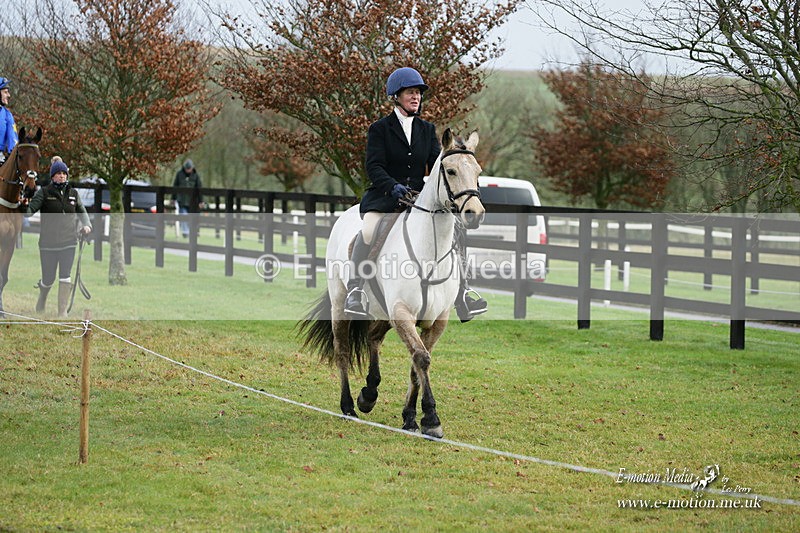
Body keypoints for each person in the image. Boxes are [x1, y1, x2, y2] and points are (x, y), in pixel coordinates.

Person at [344, 67, 487, 322]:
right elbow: (373, 166)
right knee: (368, 230)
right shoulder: (380, 129)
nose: (416, 97)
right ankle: (355, 290)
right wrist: (391, 186)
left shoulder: (426, 129)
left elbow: (436, 166)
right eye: (411, 93)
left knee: (456, 231)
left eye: (418, 93)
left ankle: (463, 293)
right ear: (396, 96)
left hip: (418, 199)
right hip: (385, 196)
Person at [25, 159, 92, 317]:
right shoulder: (44, 192)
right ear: (52, 176)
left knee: (65, 275)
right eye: (58, 174)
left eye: (64, 173)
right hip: (48, 244)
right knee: (48, 278)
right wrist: (23, 204)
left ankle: (62, 312)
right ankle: (42, 295)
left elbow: (82, 211)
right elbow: (29, 211)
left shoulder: (73, 193)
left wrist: (87, 225)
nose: (61, 176)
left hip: (69, 242)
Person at [171, 158, 203, 237]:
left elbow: (199, 189)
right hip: (182, 200)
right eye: (187, 169)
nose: (188, 170)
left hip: (193, 201)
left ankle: (193, 232)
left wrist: (201, 201)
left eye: (189, 169)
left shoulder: (196, 176)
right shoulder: (179, 174)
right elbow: (175, 186)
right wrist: (173, 198)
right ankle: (186, 233)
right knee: (183, 216)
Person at [0, 77, 18, 165]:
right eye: (5, 92)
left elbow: (13, 138)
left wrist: (14, 154)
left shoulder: (7, 115)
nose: (9, 95)